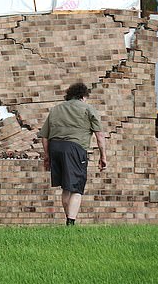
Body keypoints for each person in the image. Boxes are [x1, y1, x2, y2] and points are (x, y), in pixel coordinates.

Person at [38, 82, 107, 226]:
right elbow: (99, 136)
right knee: (77, 188)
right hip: (75, 149)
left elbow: (44, 137)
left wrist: (47, 156)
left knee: (66, 187)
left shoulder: (56, 109)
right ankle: (71, 223)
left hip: (55, 148)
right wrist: (103, 156)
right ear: (83, 96)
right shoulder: (88, 109)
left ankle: (69, 221)